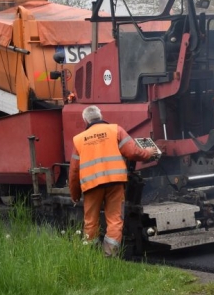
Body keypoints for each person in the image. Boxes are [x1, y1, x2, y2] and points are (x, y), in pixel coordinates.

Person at [68, 105, 159, 257]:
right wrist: (148, 153)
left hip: (91, 186)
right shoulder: (115, 130)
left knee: (90, 222)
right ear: (101, 116)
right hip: (115, 183)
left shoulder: (78, 140)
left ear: (85, 120)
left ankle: (89, 256)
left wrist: (75, 194)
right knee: (115, 220)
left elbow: (74, 172)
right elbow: (132, 152)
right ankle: (109, 256)